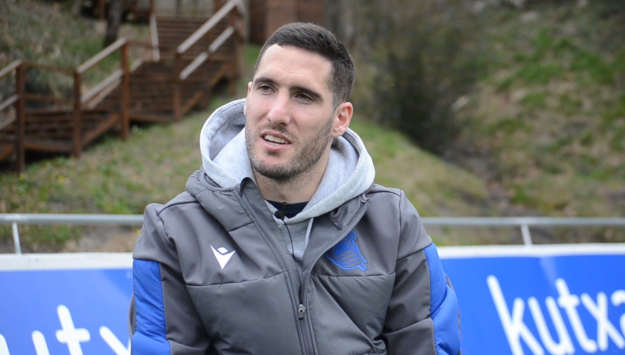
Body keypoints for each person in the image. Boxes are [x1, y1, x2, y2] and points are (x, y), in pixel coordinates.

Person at [130, 22, 461, 355]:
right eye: (266, 88)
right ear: (247, 97)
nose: (277, 113)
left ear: (340, 119)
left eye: (303, 96)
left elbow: (429, 346)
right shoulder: (174, 231)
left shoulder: (393, 221)